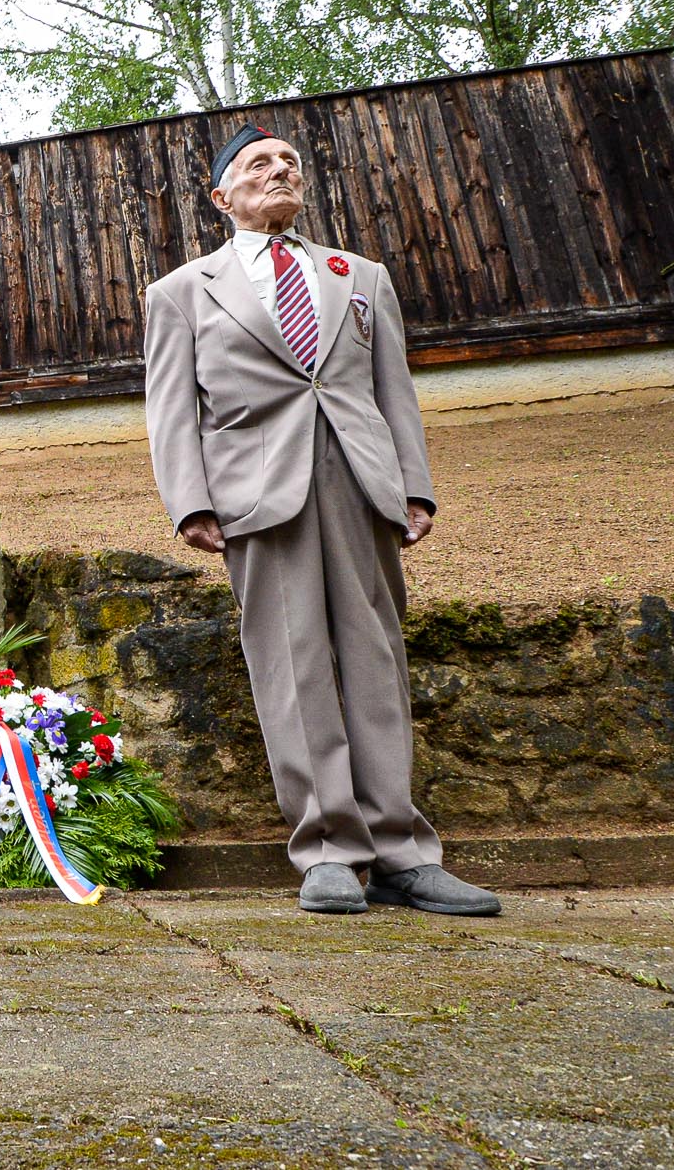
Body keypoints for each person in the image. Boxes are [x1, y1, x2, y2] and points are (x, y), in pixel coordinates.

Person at [142, 126, 500, 917]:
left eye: (290, 163)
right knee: (293, 665)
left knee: (377, 662)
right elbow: (171, 408)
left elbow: (392, 387)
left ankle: (404, 852)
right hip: (257, 493)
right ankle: (329, 850)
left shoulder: (359, 274)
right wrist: (191, 501)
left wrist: (416, 486)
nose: (280, 172)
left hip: (362, 482)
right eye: (258, 165)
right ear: (221, 196)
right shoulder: (182, 291)